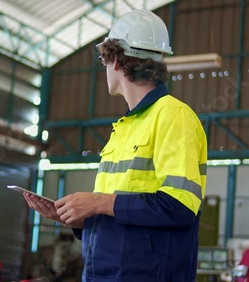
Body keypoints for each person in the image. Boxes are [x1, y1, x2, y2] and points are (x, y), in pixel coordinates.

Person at [24, 9, 207, 282]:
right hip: (103, 273)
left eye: (104, 61)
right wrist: (77, 218)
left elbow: (178, 207)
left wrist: (98, 202)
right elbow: (122, 214)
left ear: (117, 61)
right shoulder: (124, 128)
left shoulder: (173, 116)